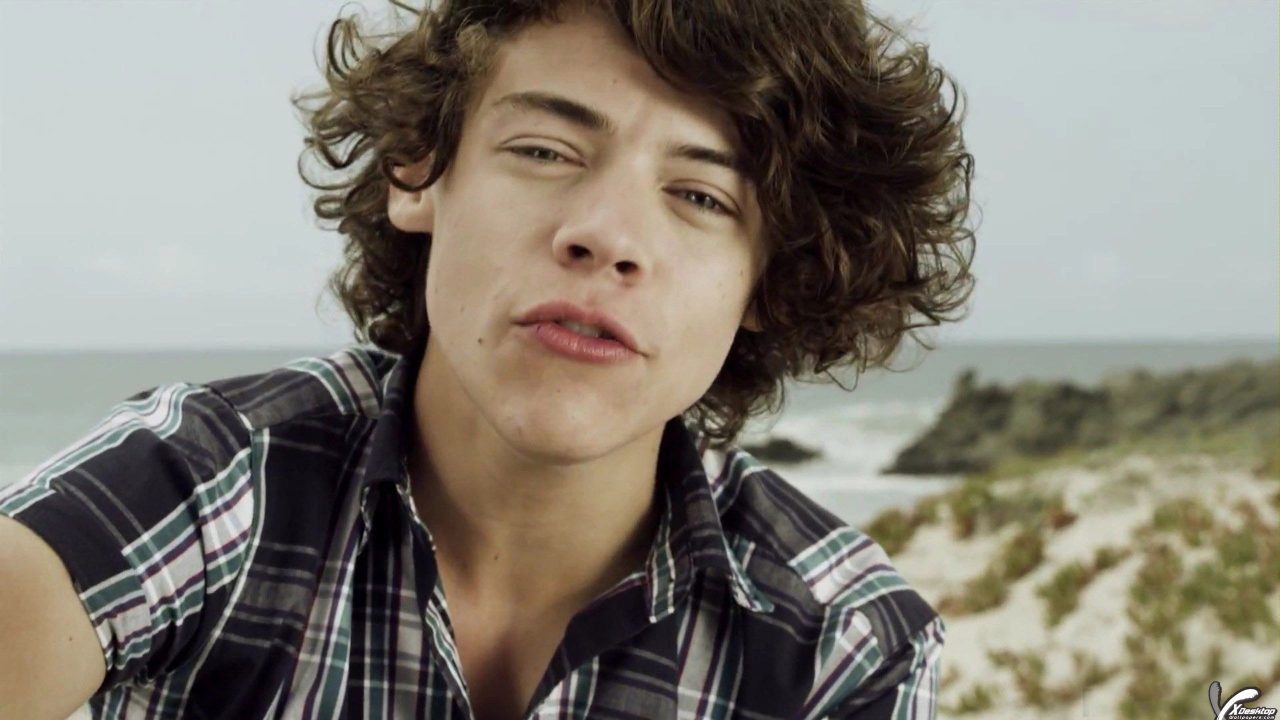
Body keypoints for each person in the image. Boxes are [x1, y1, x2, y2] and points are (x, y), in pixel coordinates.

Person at [0, 0, 975, 717]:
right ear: (418, 169)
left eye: (700, 197)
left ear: (768, 282)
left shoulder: (843, 650)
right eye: (545, 150)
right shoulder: (206, 484)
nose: (606, 234)